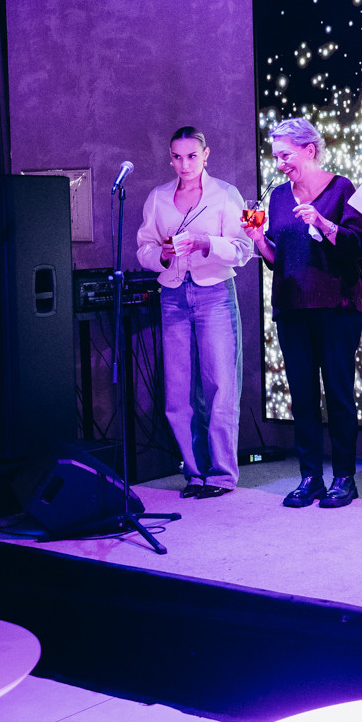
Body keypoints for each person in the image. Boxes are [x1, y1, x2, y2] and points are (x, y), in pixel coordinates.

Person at [245, 118, 362, 508]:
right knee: (302, 396)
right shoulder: (278, 197)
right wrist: (258, 240)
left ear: (310, 150)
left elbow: (357, 245)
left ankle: (344, 478)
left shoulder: (342, 188)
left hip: (336, 306)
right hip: (292, 306)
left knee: (338, 394)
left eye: (285, 155)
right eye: (275, 157)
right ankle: (310, 477)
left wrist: (322, 221)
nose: (279, 163)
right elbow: (277, 258)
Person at [136, 126, 254, 500]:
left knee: (221, 384)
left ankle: (222, 473)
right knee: (178, 391)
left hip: (215, 293)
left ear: (205, 155)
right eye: (177, 157)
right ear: (170, 158)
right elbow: (144, 249)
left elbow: (243, 249)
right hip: (172, 295)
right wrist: (162, 254)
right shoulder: (158, 198)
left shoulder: (225, 194)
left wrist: (206, 243)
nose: (184, 164)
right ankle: (194, 471)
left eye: (191, 156)